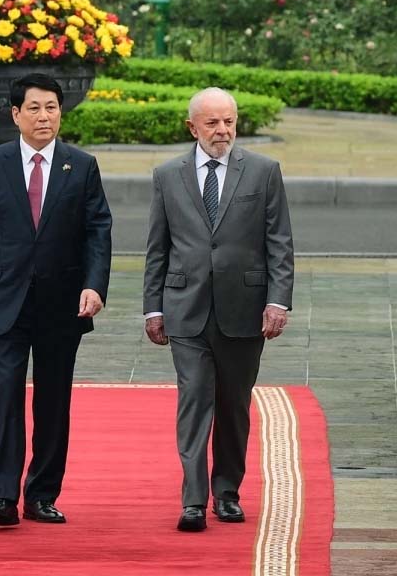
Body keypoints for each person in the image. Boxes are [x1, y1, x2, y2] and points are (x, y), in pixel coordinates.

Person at [0, 73, 113, 526]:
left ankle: (41, 494)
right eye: (35, 108)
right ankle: (2, 496)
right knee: (6, 393)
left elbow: (98, 231)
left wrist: (94, 285)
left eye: (52, 108)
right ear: (15, 114)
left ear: (61, 113)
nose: (44, 117)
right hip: (3, 299)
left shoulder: (81, 165)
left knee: (52, 400)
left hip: (62, 303)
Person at [142, 87, 294, 532]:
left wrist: (278, 300)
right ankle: (193, 500)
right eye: (212, 123)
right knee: (193, 401)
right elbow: (157, 248)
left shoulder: (264, 171)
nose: (222, 130)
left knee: (233, 406)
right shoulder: (167, 175)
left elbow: (279, 242)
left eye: (229, 121)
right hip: (185, 308)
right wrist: (152, 308)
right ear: (193, 127)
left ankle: (226, 493)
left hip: (244, 309)